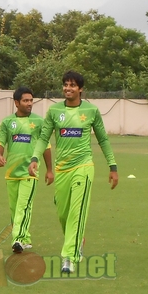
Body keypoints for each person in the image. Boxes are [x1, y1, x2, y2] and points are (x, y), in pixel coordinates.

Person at [28, 71, 118, 274]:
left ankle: (69, 257)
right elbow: (43, 138)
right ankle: (78, 240)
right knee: (63, 213)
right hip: (62, 169)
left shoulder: (91, 111)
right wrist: (34, 158)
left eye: (72, 85)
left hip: (83, 167)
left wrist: (112, 166)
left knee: (77, 213)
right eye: (65, 85)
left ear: (80, 89)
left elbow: (103, 139)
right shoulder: (54, 111)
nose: (68, 88)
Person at [0, 86, 53, 253]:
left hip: (30, 173)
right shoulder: (7, 123)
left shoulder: (39, 122)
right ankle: (25, 238)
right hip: (11, 173)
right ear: (16, 103)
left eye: (31, 100)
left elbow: (46, 146)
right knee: (14, 209)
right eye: (25, 100)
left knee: (23, 207)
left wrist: (49, 170)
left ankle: (17, 239)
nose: (29, 103)